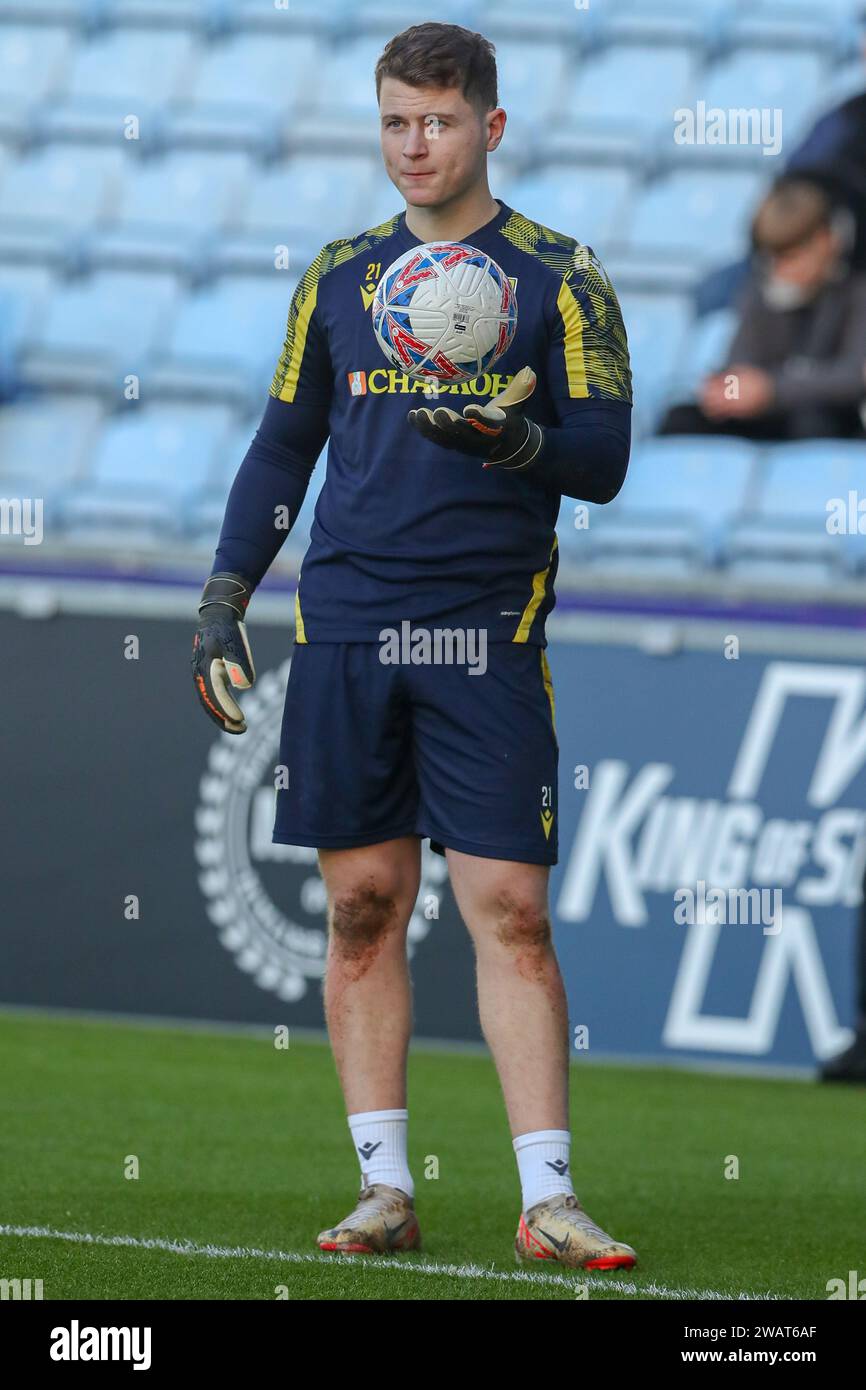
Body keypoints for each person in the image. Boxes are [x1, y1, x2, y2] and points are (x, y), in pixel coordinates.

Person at [192, 22, 635, 1270]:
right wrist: (226, 593)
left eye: (437, 122)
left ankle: (545, 1198)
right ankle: (384, 1189)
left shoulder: (559, 276)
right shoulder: (336, 278)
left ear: (491, 128)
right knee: (360, 908)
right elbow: (284, 449)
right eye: (394, 121)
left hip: (484, 632)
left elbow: (600, 458)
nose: (413, 145)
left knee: (512, 911)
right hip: (342, 627)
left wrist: (513, 444)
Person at [660, 180, 866, 440]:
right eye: (775, 257)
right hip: (769, 415)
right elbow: (739, 362)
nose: (781, 269)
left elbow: (853, 376)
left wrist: (773, 389)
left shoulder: (856, 292)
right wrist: (730, 391)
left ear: (826, 240)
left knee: (814, 422)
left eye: (792, 255)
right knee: (681, 419)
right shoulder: (761, 289)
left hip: (826, 419)